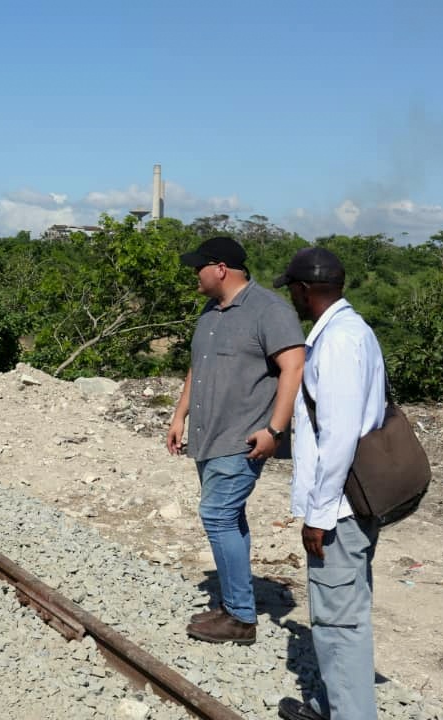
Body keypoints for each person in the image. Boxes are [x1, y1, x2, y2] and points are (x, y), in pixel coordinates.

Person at [166, 236, 305, 645]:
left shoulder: (269, 310)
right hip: (207, 435)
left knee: (217, 515)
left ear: (220, 268)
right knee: (229, 517)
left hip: (243, 437)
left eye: (199, 268)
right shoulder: (211, 311)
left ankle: (241, 619)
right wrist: (179, 415)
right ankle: (234, 602)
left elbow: (293, 366)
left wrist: (275, 430)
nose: (195, 275)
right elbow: (198, 367)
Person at [273, 247, 386, 720]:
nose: (294, 300)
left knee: (338, 621)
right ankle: (334, 703)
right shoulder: (351, 332)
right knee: (348, 613)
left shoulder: (338, 341)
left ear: (304, 290)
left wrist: (318, 517)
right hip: (356, 499)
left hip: (339, 509)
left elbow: (339, 436)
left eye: (293, 291)